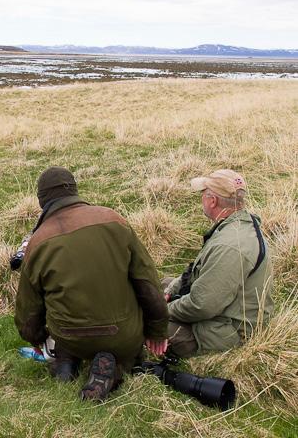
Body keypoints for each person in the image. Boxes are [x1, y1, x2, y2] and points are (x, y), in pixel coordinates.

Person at [14, 167, 169, 401]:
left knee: (66, 339)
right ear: (75, 190)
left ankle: (65, 363)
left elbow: (28, 316)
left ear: (41, 201)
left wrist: (39, 339)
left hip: (70, 339)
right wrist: (157, 330)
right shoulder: (114, 220)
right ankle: (116, 369)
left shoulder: (37, 242)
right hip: (122, 335)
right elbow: (148, 284)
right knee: (126, 350)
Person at [165, 169, 274, 357]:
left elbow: (202, 305)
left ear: (212, 201)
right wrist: (171, 291)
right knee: (162, 285)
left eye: (203, 194)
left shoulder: (229, 246)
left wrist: (163, 311)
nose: (201, 199)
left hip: (230, 330)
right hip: (225, 308)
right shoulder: (238, 224)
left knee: (144, 324)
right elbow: (197, 273)